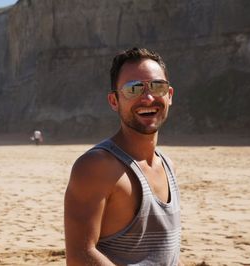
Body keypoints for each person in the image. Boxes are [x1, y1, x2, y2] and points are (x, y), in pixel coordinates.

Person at [64, 47, 182, 265]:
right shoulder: (97, 167)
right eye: (133, 89)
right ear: (114, 101)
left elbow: (167, 255)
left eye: (157, 86)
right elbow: (80, 256)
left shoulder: (168, 166)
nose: (147, 97)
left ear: (170, 95)